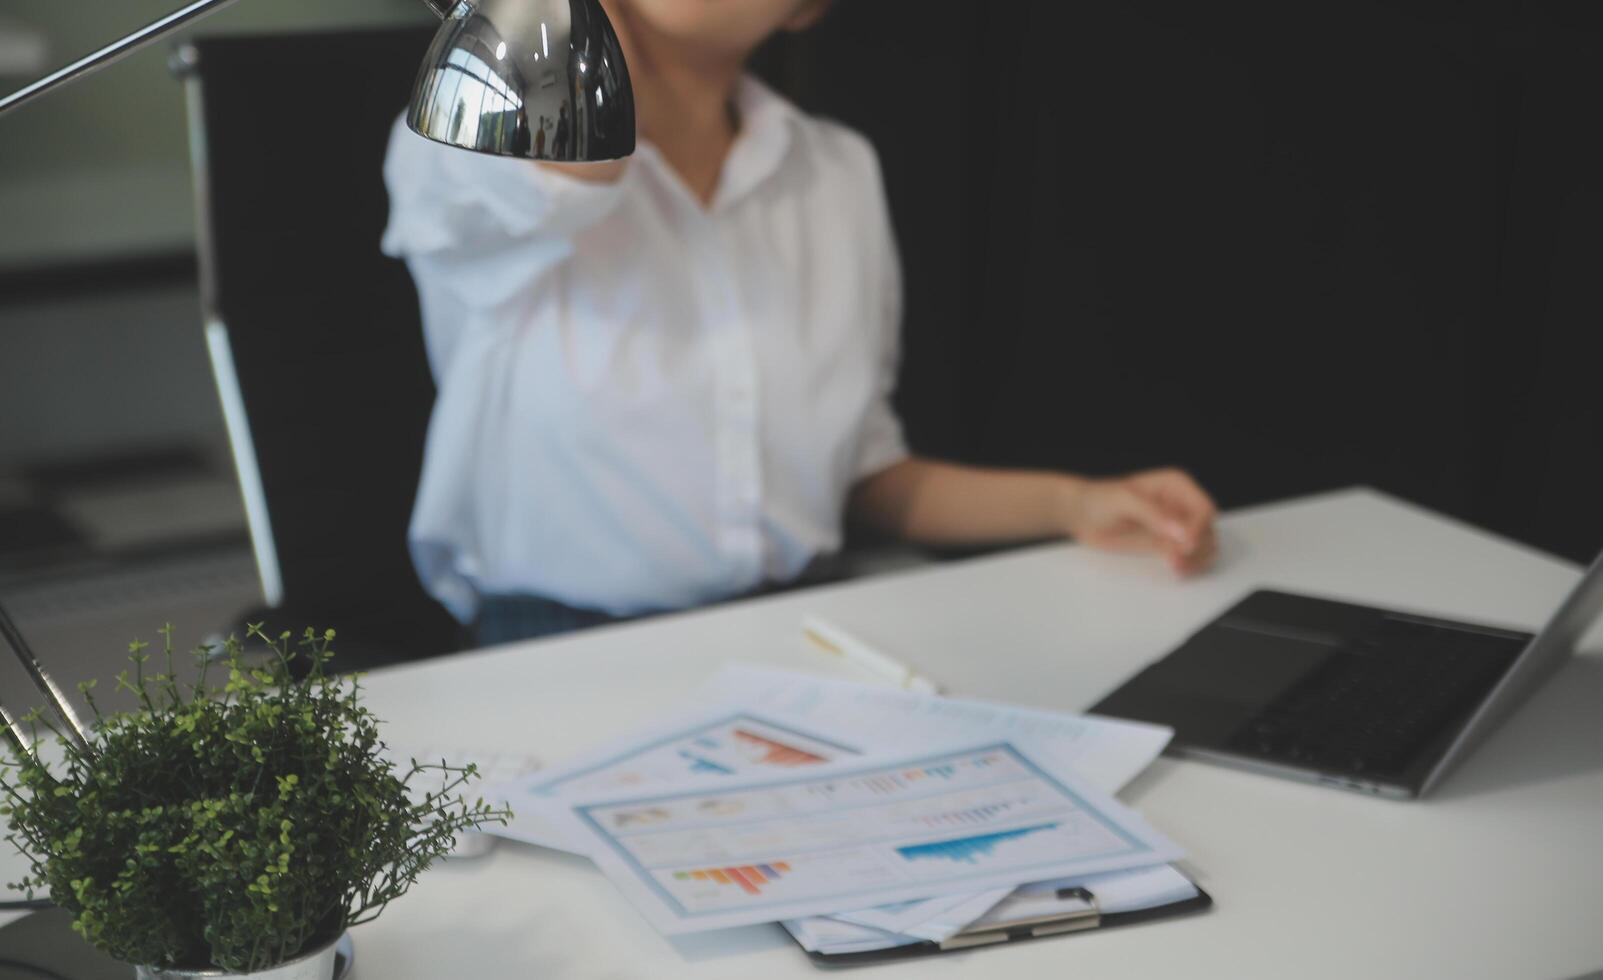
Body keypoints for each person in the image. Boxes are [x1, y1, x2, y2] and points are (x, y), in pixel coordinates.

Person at [382, 0, 1218, 646]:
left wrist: (1074, 503)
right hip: (558, 645)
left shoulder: (835, 171)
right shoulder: (471, 127)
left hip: (801, 625)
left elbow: (865, 474)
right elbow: (577, 168)